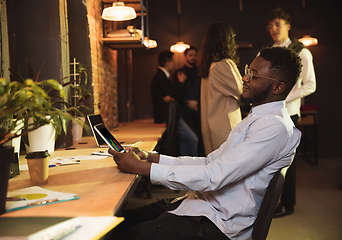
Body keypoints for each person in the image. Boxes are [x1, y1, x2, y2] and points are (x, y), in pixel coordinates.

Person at [108, 47, 302, 240]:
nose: (245, 78)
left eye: (254, 75)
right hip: (202, 206)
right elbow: (210, 162)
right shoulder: (258, 118)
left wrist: (142, 168)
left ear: (278, 88)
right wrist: (153, 158)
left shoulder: (274, 127)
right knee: (117, 222)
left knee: (116, 235)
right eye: (247, 70)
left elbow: (214, 176)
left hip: (216, 223)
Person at [265, 7, 316, 218]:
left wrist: (284, 96)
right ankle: (267, 202)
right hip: (267, 113)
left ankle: (287, 204)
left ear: (288, 26)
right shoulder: (267, 51)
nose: (273, 29)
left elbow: (310, 85)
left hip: (289, 113)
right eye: (270, 25)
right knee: (268, 160)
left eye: (277, 24)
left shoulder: (301, 51)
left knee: (287, 163)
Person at [199, 22, 243, 155]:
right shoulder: (224, 65)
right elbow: (244, 93)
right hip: (227, 127)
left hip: (211, 128)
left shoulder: (208, 66)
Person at [150, 50, 198, 156]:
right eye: (172, 61)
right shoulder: (161, 77)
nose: (174, 64)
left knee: (184, 141)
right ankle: (192, 164)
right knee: (192, 140)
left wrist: (171, 98)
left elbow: (170, 97)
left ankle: (186, 164)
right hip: (167, 118)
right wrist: (181, 83)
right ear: (168, 63)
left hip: (168, 118)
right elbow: (173, 96)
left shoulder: (162, 76)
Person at [172, 46, 204, 156]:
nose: (193, 57)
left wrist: (197, 103)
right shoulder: (178, 72)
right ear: (185, 57)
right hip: (183, 109)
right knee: (184, 138)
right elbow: (176, 94)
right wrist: (188, 103)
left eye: (195, 55)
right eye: (190, 55)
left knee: (200, 135)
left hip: (198, 108)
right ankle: (184, 159)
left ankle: (200, 159)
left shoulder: (202, 72)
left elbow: (204, 91)